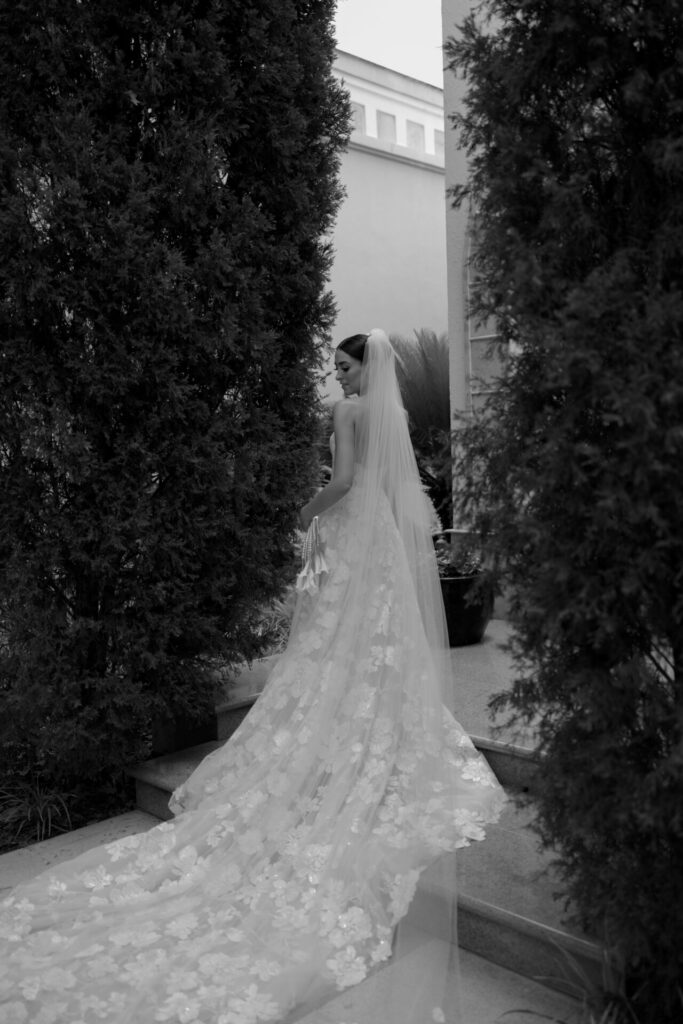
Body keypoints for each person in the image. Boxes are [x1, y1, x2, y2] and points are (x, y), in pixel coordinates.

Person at [0, 329, 505, 1024]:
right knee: (374, 645)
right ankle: (372, 737)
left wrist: (304, 514)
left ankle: (339, 739)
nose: (336, 374)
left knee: (335, 646)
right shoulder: (390, 414)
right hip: (380, 541)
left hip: (348, 532)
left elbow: (344, 482)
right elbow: (391, 489)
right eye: (334, 365)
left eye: (343, 364)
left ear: (367, 366)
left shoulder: (348, 412)